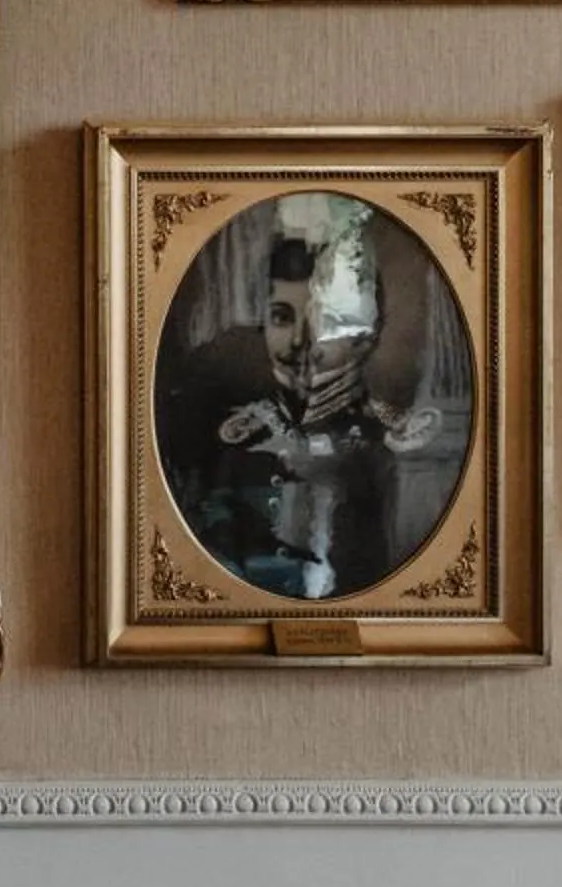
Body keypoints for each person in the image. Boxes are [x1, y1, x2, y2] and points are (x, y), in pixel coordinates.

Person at [154, 197, 439, 600]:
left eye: (323, 323)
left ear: (366, 336)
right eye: (281, 318)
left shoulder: (385, 432)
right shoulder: (222, 403)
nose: (299, 343)